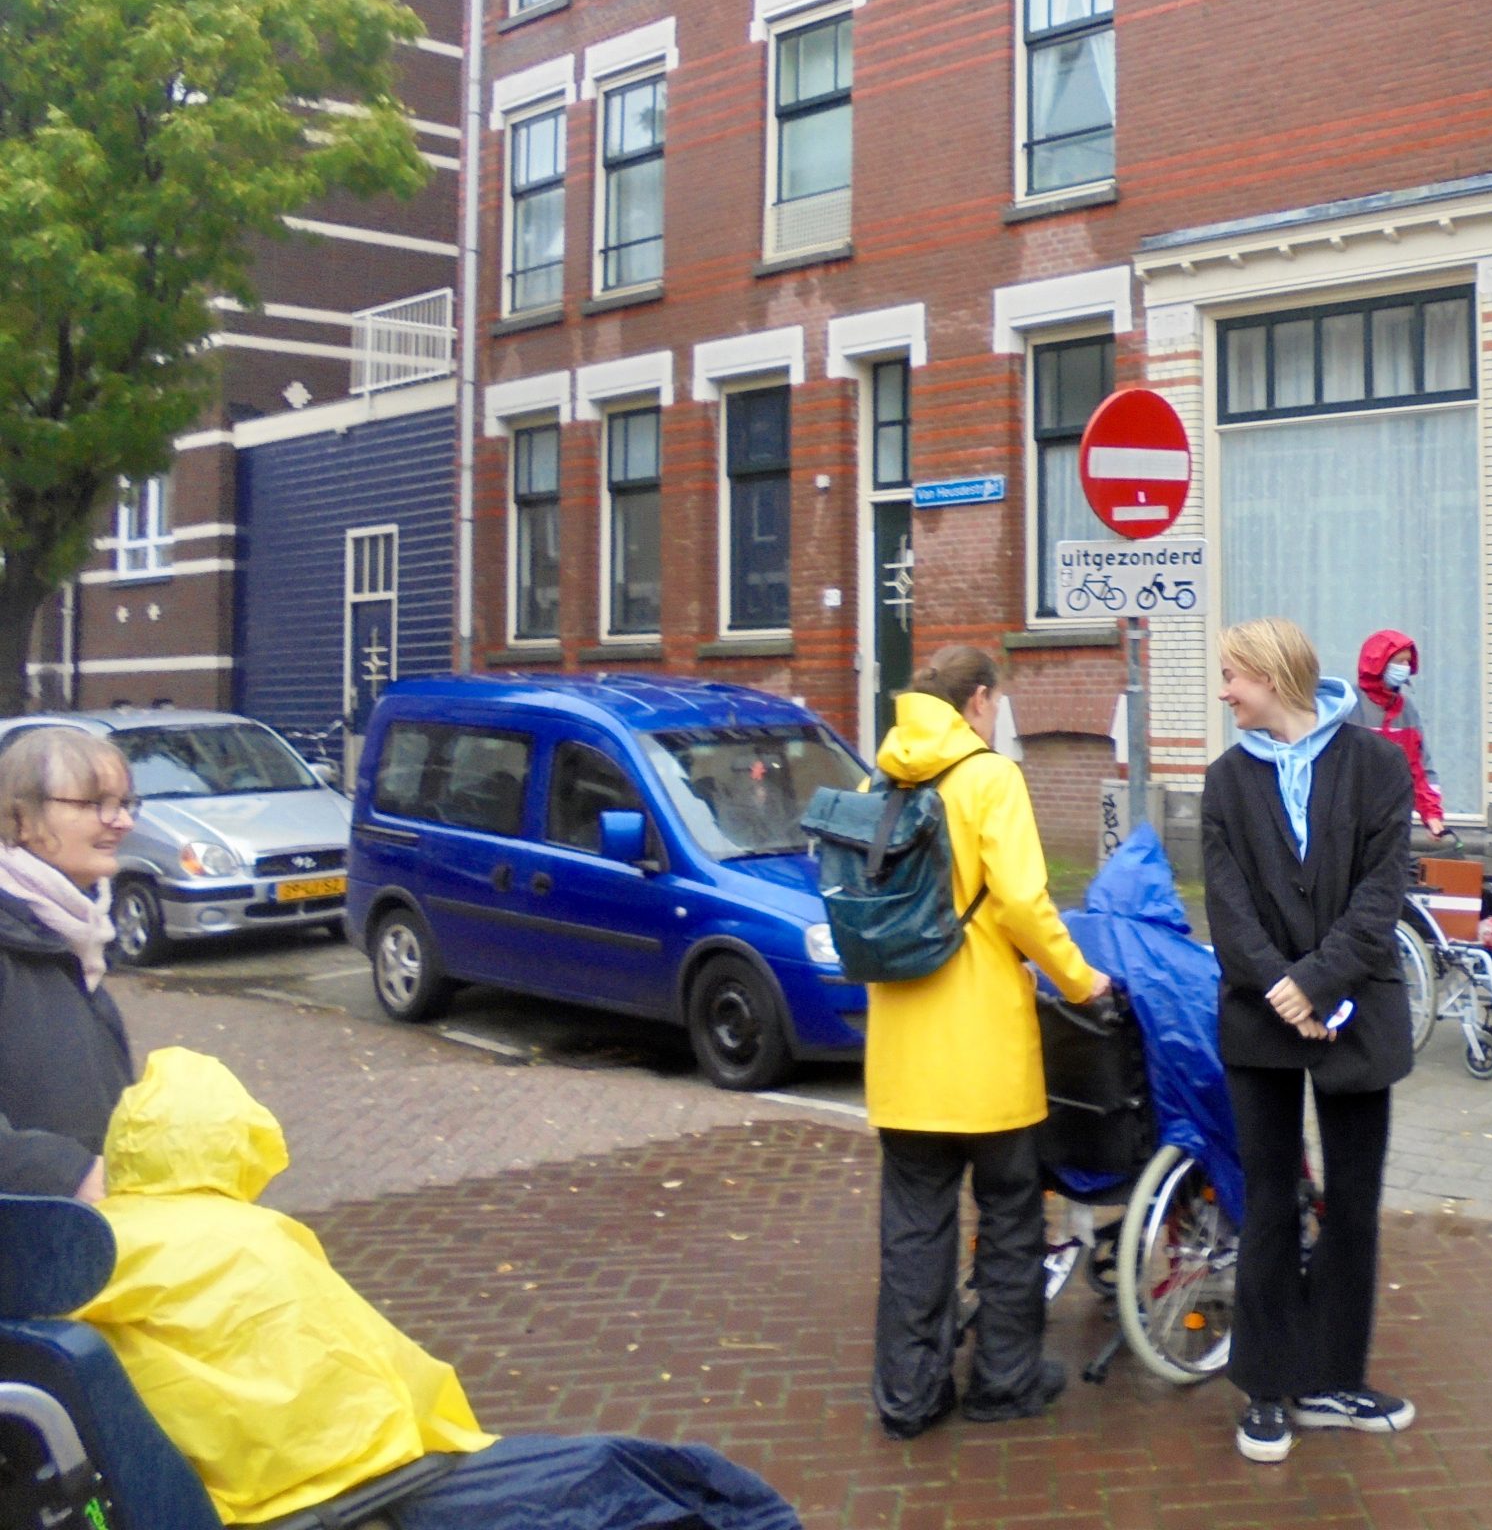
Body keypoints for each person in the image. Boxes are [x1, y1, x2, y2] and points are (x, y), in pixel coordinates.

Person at [75, 1046, 801, 1528]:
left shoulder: (85, 1255)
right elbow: (384, 1383)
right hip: (360, 1494)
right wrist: (456, 1442)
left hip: (242, 1499)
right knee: (680, 1485)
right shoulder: (254, 1241)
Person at [862, 645, 1112, 1441]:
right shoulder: (989, 778)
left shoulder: (881, 783)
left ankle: (909, 1394)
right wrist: (1081, 980)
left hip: (902, 1056)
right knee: (1009, 1215)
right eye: (994, 704)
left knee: (914, 1228)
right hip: (985, 1054)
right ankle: (1004, 1383)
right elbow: (1022, 905)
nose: (995, 717)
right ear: (976, 700)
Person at [1202, 617, 1415, 1466]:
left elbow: (1380, 897)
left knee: (1353, 1203)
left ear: (1272, 675)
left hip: (1355, 1009)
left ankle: (1331, 1376)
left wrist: (1318, 983)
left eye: (1232, 675)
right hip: (1262, 1014)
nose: (1224, 691)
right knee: (1268, 1201)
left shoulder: (1377, 765)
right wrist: (1283, 991)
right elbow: (1228, 909)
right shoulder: (1224, 781)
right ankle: (1266, 1385)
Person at [0, 725, 137, 1201]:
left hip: (74, 1234)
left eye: (124, 804)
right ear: (21, 818)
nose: (122, 822)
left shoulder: (77, 938)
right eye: (94, 803)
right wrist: (69, 1174)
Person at [1352, 628, 1449, 844]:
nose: (1405, 667)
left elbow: (1420, 768)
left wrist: (1431, 815)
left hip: (1393, 821)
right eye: (1398, 661)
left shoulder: (1407, 711)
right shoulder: (1348, 705)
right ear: (1378, 663)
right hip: (1349, 820)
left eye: (1407, 662)